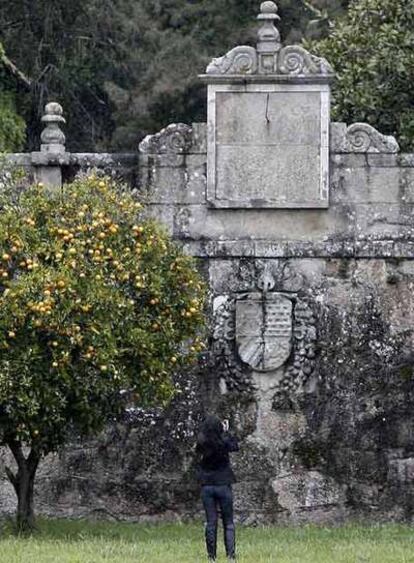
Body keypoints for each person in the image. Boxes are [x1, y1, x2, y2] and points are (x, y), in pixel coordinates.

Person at [196, 414, 239, 562]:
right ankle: (231, 556)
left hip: (207, 486)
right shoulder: (223, 442)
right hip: (223, 484)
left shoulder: (202, 443)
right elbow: (235, 446)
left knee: (211, 522)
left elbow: (197, 449)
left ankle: (211, 557)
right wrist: (226, 431)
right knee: (228, 522)